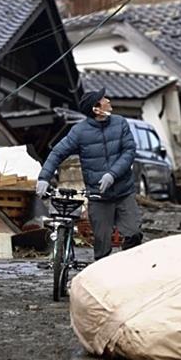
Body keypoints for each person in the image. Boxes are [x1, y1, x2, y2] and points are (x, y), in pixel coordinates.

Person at [35, 88, 143, 261]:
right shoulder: (79, 132)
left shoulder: (120, 123)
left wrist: (112, 174)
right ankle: (102, 279)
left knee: (134, 233)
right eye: (103, 99)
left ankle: (128, 267)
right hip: (98, 196)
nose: (108, 100)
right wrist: (44, 178)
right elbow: (57, 153)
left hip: (124, 192)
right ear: (96, 109)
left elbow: (129, 152)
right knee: (102, 245)